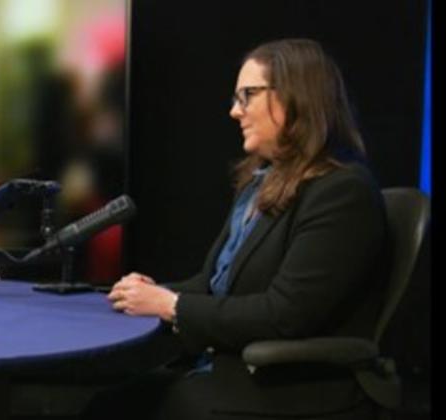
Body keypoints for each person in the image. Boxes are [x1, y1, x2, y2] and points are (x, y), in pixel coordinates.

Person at [93, 39, 387, 419]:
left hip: (296, 388)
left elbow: (285, 315)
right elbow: (214, 284)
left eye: (247, 95)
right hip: (230, 368)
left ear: (296, 96)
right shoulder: (260, 183)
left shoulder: (343, 192)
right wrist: (148, 294)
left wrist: (172, 306)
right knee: (105, 401)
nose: (235, 111)